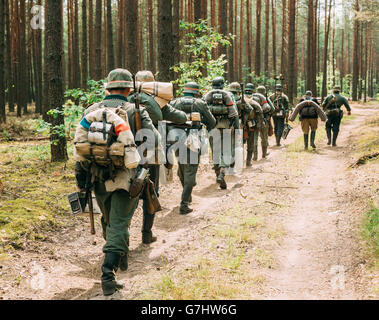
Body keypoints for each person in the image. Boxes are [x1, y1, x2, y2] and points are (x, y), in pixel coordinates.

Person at [75, 69, 159, 296]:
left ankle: (118, 253)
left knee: (109, 219)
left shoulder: (91, 110)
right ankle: (108, 273)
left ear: (107, 88)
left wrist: (81, 182)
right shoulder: (135, 110)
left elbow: (80, 146)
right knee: (120, 224)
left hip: (97, 178)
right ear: (128, 89)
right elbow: (154, 141)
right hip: (126, 179)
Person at [128, 70, 187, 245]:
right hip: (150, 152)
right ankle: (147, 233)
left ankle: (123, 235)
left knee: (126, 192)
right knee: (150, 190)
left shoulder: (125, 98)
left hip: (126, 151)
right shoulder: (157, 100)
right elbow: (180, 116)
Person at [170, 82, 216, 214]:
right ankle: (184, 204)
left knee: (182, 167)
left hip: (175, 138)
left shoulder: (174, 102)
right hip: (193, 139)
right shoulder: (199, 103)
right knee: (190, 170)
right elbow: (212, 122)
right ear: (196, 92)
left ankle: (187, 194)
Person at [204, 77, 239, 190]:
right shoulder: (228, 95)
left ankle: (217, 174)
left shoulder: (207, 95)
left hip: (212, 127)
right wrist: (236, 128)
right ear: (222, 85)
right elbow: (234, 113)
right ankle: (222, 173)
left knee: (215, 151)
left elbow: (202, 111)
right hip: (226, 127)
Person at [245, 83, 274, 161]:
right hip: (263, 120)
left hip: (251, 121)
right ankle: (264, 155)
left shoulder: (245, 97)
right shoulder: (262, 97)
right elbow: (271, 108)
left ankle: (255, 156)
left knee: (254, 139)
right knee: (264, 138)